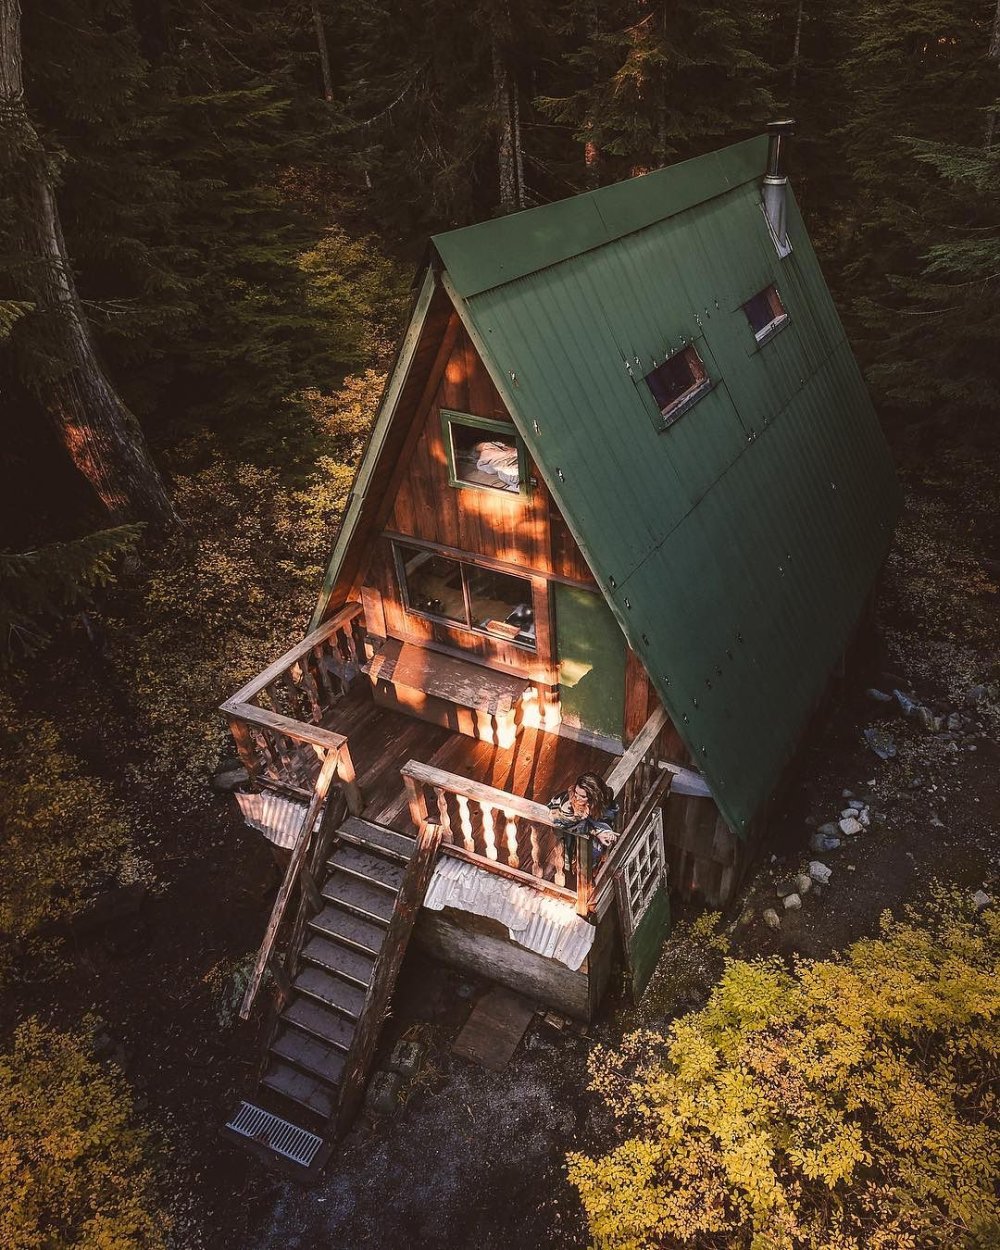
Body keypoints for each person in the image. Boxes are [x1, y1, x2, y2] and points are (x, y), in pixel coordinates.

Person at [548, 772, 619, 868]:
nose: (577, 798)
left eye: (583, 796)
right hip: (568, 821)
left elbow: (608, 813)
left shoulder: (605, 795)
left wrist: (606, 830)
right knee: (590, 848)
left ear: (594, 797)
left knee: (603, 836)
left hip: (589, 817)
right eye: (576, 793)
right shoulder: (567, 805)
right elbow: (571, 825)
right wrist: (597, 832)